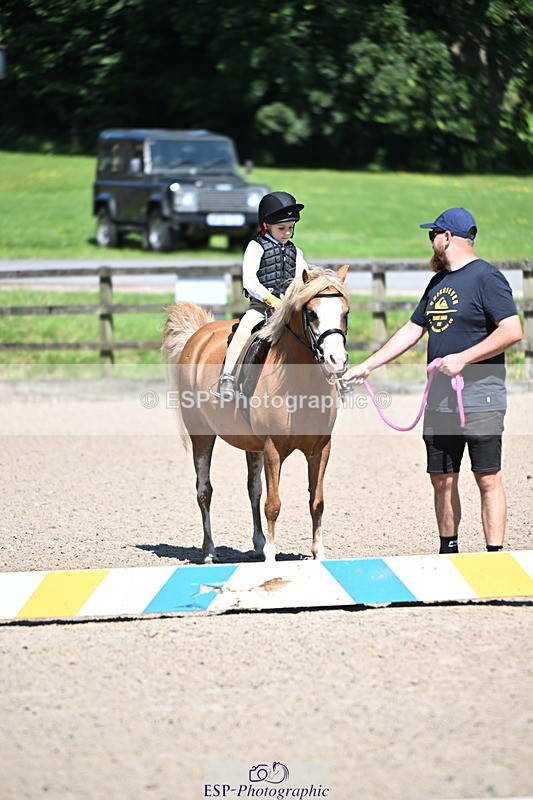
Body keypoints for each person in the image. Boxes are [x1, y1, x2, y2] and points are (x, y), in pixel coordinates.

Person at [343, 207, 523, 553]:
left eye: (433, 235)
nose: (431, 242)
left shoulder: (487, 278)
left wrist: (464, 358)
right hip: (439, 397)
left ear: (447, 238)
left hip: (480, 393)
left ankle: (495, 556)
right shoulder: (438, 283)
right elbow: (412, 329)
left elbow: (512, 330)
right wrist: (369, 365)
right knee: (441, 478)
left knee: (486, 476)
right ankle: (448, 550)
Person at [218, 191, 308, 401]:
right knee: (242, 332)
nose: (287, 233)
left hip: (288, 308)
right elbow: (249, 281)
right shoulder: (255, 247)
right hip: (261, 307)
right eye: (281, 228)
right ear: (266, 225)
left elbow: (303, 278)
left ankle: (333, 376)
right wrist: (270, 300)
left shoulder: (297, 252)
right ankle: (227, 378)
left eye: (290, 228)